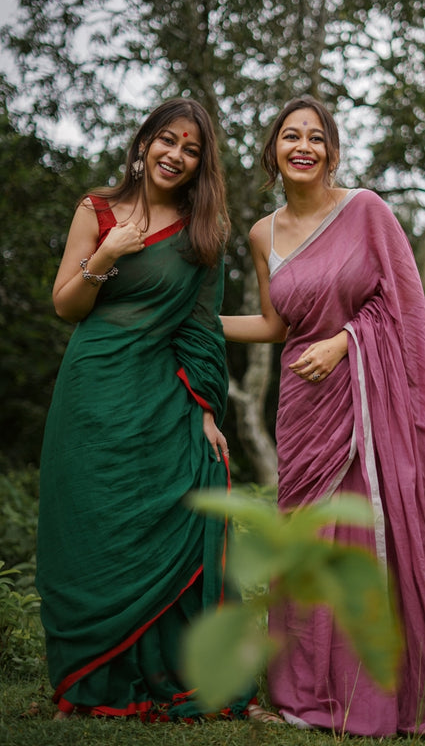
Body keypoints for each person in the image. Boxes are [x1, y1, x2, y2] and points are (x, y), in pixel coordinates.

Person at [220, 96, 425, 738]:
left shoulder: (366, 211)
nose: (303, 146)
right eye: (291, 136)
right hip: (302, 409)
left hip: (367, 401)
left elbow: (403, 305)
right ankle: (310, 690)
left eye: (316, 137)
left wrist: (347, 341)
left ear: (333, 152)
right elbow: (277, 325)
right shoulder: (261, 233)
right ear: (273, 151)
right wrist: (195, 323)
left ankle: (381, 691)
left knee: (372, 537)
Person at [36, 97, 270, 723]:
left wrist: (207, 414)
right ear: (143, 146)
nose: (177, 155)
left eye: (191, 149)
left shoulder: (205, 234)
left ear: (201, 164)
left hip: (164, 395)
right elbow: (66, 306)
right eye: (167, 141)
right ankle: (85, 685)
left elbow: (198, 330)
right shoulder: (98, 209)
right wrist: (108, 253)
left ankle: (177, 676)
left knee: (173, 519)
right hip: (92, 391)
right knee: (88, 530)